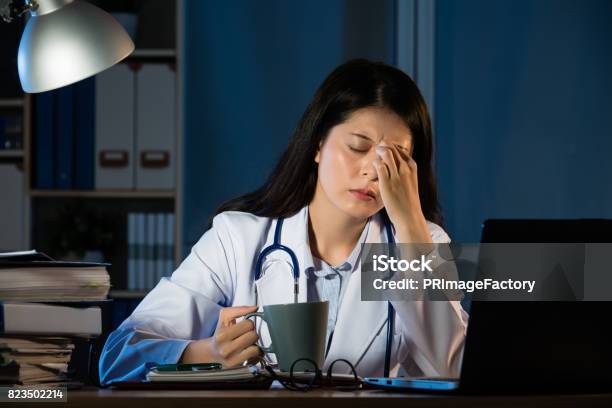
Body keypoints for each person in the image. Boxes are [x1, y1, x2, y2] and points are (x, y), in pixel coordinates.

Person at [98, 59, 468, 385]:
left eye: (395, 159)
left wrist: (411, 224)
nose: (373, 171)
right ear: (318, 145)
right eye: (357, 147)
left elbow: (455, 369)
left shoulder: (419, 240)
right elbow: (118, 357)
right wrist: (206, 353)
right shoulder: (238, 239)